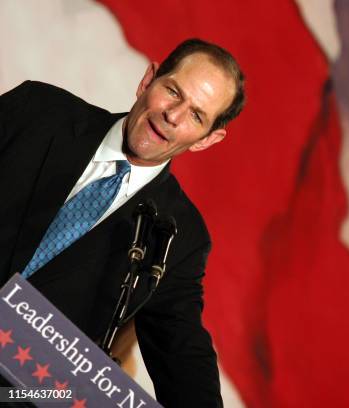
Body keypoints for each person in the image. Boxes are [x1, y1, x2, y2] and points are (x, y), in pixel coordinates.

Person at [0, 38, 245, 407]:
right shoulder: (40, 111)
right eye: (173, 91)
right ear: (148, 80)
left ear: (207, 140)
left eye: (197, 115)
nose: (173, 115)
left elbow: (181, 351)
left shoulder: (178, 235)